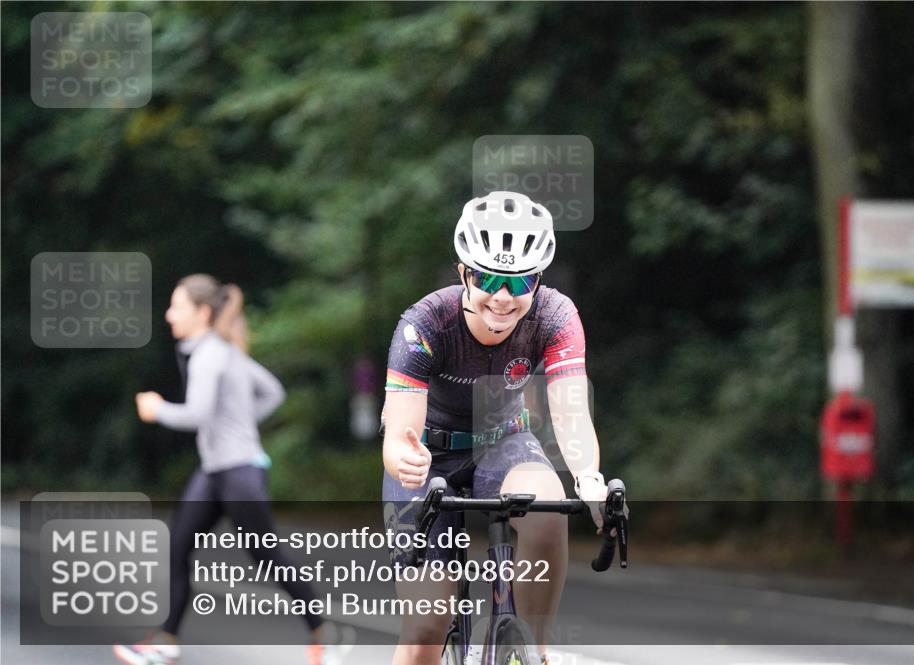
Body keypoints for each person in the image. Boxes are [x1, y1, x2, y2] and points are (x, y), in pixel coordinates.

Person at [382, 192, 609, 665]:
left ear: (538, 279)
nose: (503, 297)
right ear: (464, 271)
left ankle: (535, 651)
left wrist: (588, 476)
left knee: (547, 508)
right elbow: (398, 435)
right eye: (487, 278)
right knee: (425, 627)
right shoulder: (424, 324)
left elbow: (570, 411)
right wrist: (404, 458)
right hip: (430, 454)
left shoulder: (556, 315)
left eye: (519, 280)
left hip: (503, 442)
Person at [114, 274, 352, 665]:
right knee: (178, 547)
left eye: (177, 307)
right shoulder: (224, 352)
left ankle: (324, 640)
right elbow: (273, 391)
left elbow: (196, 414)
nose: (169, 315)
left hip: (238, 471)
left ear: (203, 312)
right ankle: (166, 641)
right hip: (217, 470)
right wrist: (242, 422)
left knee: (268, 557)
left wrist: (157, 409)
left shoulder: (210, 353)